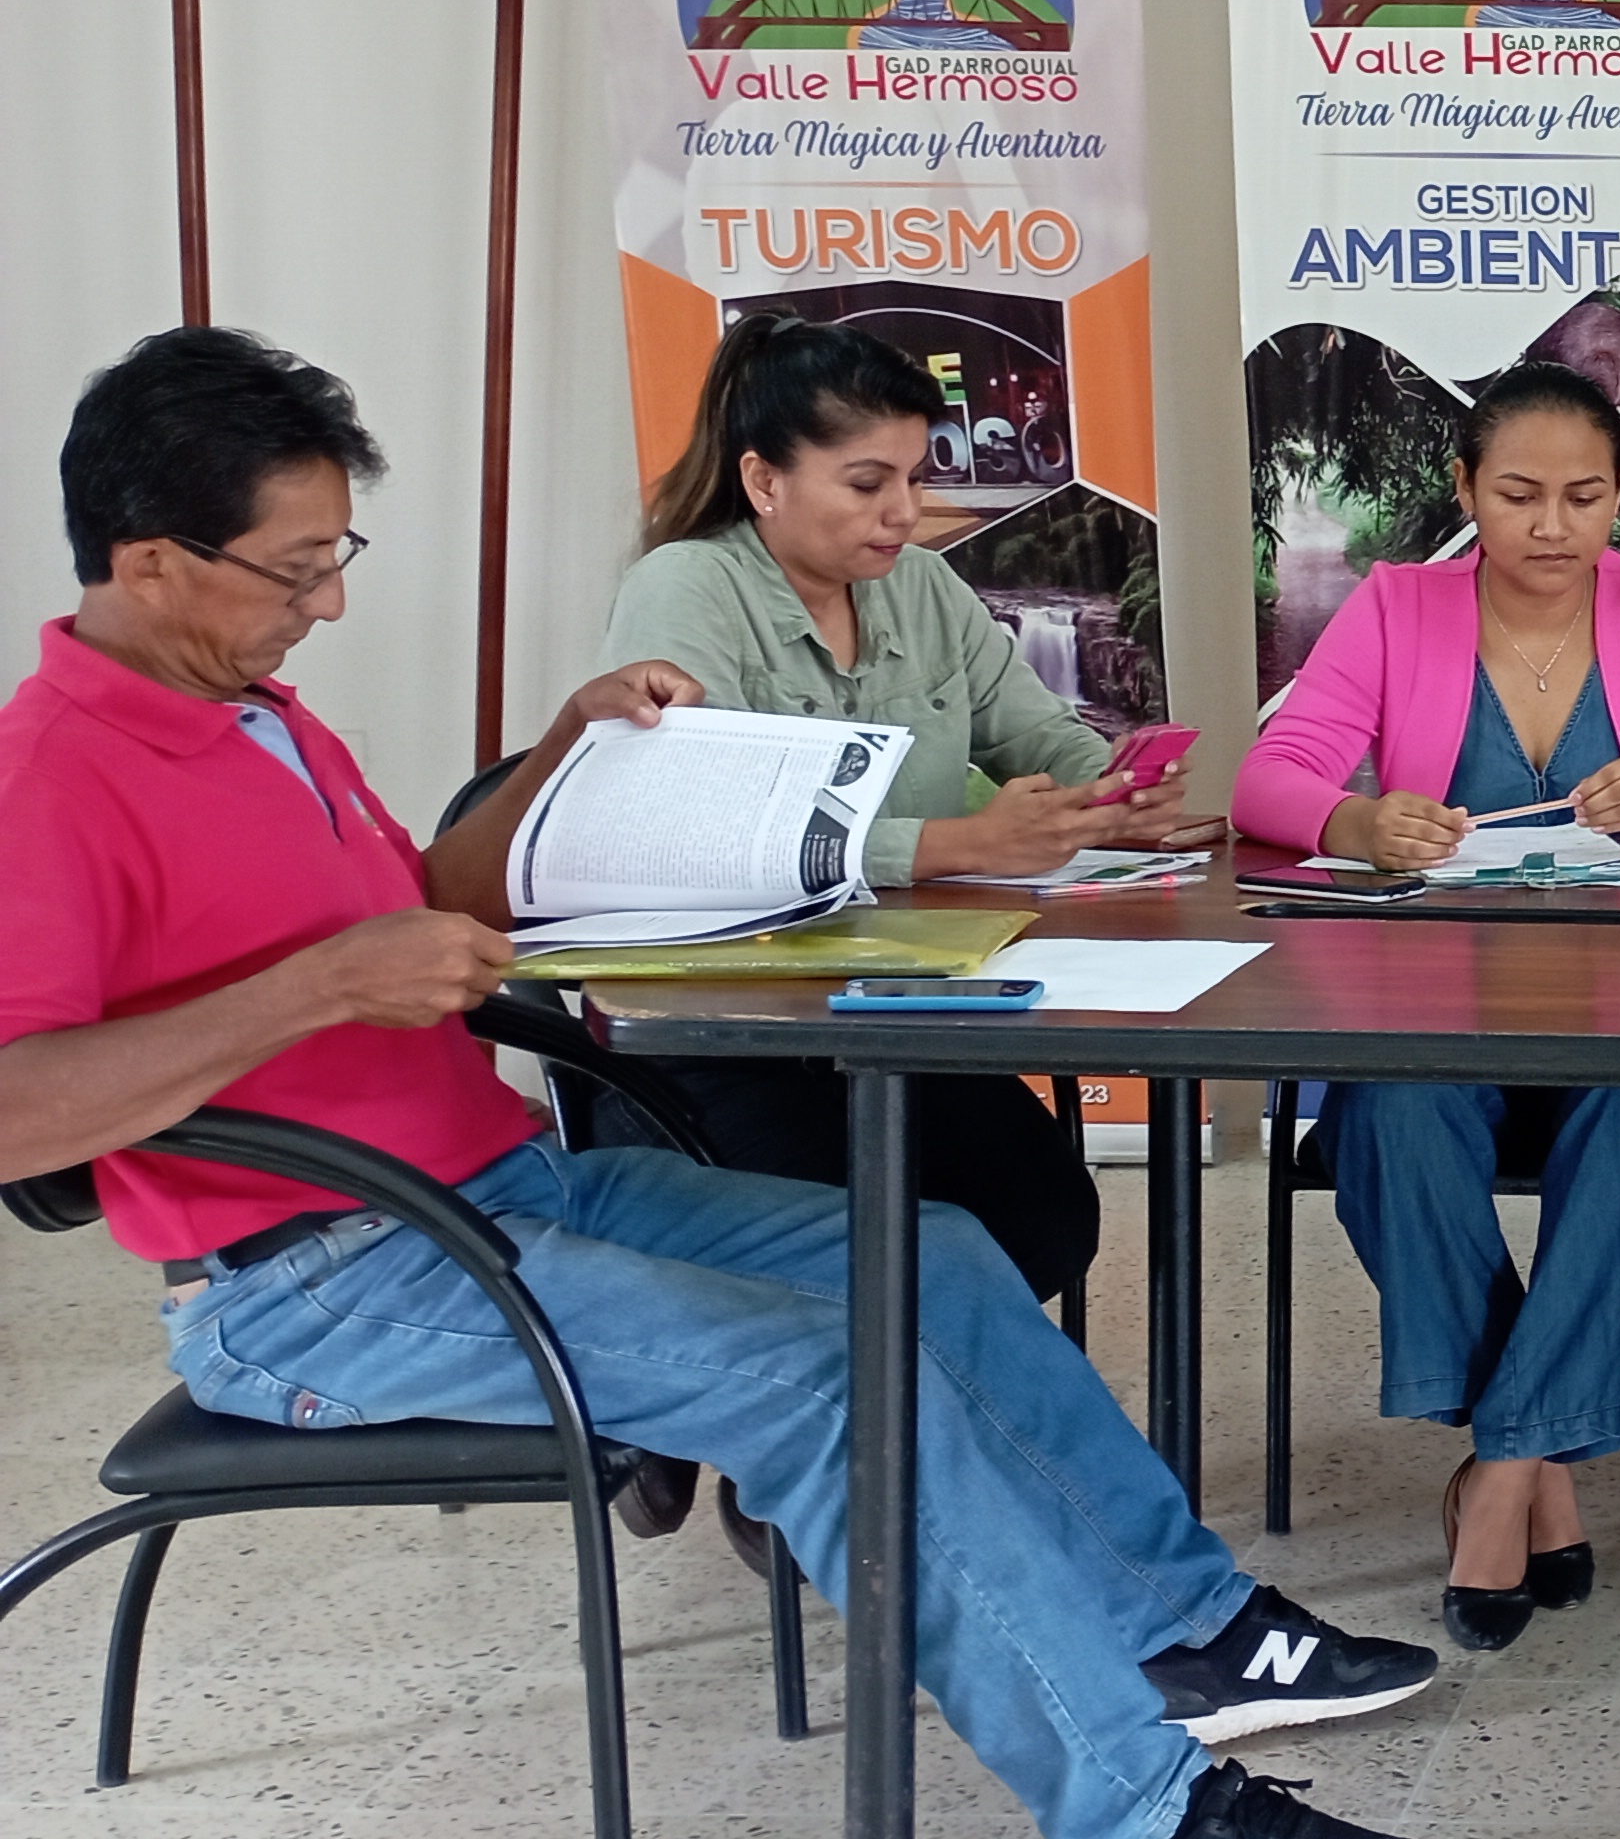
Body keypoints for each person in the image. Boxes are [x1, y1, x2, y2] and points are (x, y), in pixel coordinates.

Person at [0, 329, 1435, 1839]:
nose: (331, 603)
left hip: (496, 1191)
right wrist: (318, 987)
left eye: (332, 558)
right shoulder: (52, 774)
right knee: (821, 1377)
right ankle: (1153, 1809)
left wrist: (563, 747)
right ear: (150, 565)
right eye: (298, 571)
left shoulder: (258, 711)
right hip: (313, 1277)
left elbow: (433, 898)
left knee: (933, 1258)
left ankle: (1184, 1626)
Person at [1231, 364, 1620, 1653]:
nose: (1552, 525)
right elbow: (1270, 779)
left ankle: (1502, 1470)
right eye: (1519, 493)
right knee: (1388, 1118)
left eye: (1585, 496)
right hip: (1437, 995)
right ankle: (1539, 1460)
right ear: (1466, 488)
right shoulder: (1399, 604)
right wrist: (1357, 820)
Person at [600, 313, 1187, 1314]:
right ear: (764, 481)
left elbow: (1034, 729)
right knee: (876, 1249)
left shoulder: (922, 588)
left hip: (904, 1005)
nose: (905, 512)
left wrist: (1111, 794)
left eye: (917, 479)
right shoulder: (686, 587)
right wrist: (965, 845)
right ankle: (846, 1401)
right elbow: (704, 830)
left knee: (1043, 1216)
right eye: (868, 484)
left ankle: (909, 1397)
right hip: (735, 1024)